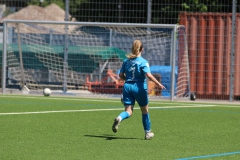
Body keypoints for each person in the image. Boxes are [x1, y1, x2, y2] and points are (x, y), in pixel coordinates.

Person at [112, 39, 166, 140]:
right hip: (139, 87)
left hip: (127, 87)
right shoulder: (143, 62)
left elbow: (120, 75)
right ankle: (147, 133)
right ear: (142, 49)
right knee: (145, 111)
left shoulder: (126, 61)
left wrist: (127, 80)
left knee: (128, 111)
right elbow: (148, 75)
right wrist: (158, 83)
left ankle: (119, 118)